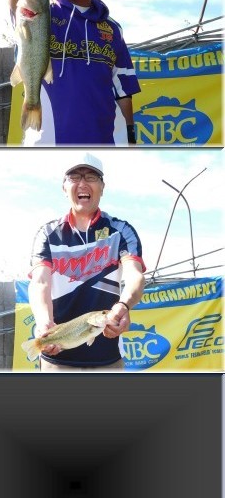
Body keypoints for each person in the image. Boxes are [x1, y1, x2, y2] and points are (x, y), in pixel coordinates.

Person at [5, 0, 139, 145]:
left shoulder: (113, 29)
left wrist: (130, 138)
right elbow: (17, 12)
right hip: (47, 143)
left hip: (106, 144)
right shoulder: (43, 12)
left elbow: (123, 90)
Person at [27, 153, 145, 371]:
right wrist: (44, 323)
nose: (82, 183)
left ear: (102, 187)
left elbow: (135, 276)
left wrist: (123, 306)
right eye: (74, 177)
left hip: (108, 360)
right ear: (64, 187)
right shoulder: (47, 234)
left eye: (91, 177)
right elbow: (40, 282)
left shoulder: (121, 230)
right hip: (56, 361)